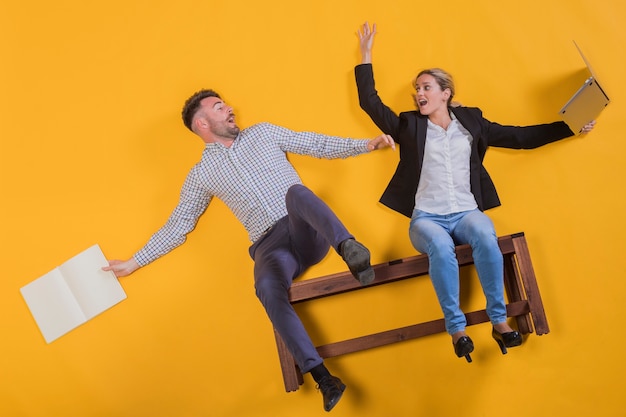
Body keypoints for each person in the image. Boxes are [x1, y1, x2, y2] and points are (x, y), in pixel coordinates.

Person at [103, 89, 395, 411]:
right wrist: (133, 263)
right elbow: (178, 224)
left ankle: (350, 250)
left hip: (303, 225)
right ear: (202, 124)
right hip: (270, 246)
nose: (230, 108)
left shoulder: (264, 133)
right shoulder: (201, 175)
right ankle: (323, 377)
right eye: (219, 107)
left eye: (225, 104)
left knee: (296, 192)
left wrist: (365, 145)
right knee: (266, 287)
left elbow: (314, 143)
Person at [355, 22, 594, 362]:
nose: (418, 93)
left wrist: (570, 127)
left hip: (466, 213)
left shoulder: (472, 123)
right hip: (427, 219)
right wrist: (365, 55)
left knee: (485, 232)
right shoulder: (408, 126)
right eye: (416, 89)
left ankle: (499, 321)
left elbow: (520, 138)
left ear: (445, 93)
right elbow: (369, 101)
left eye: (425, 87)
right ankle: (457, 329)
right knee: (440, 246)